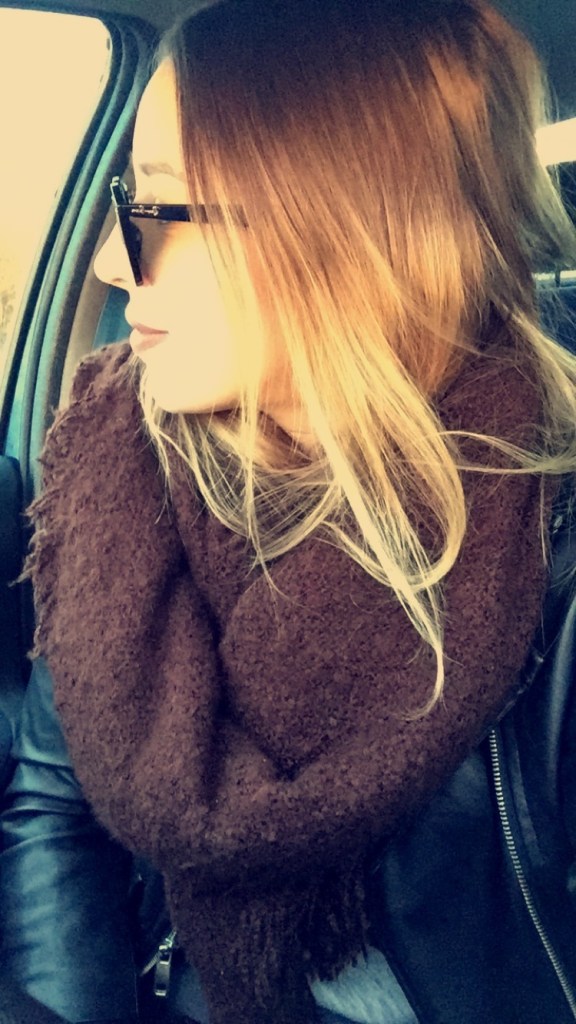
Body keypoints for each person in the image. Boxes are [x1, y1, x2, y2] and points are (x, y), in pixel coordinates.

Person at [1, 0, 576, 1022]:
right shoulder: (119, 464)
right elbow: (56, 800)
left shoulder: (552, 563)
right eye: (131, 202)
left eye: (160, 207)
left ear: (347, 228)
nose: (110, 263)